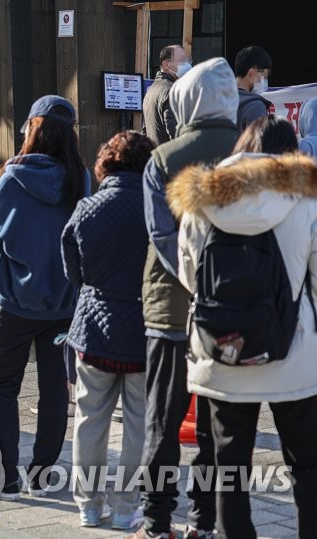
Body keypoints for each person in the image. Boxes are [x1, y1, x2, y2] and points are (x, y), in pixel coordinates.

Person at [169, 116, 317, 538]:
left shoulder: (202, 199)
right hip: (295, 355)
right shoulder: (306, 199)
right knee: (307, 467)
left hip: (222, 352)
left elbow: (190, 275)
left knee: (228, 470)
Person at [134, 57, 238, 539]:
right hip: (231, 311)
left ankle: (156, 521)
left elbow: (160, 235)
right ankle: (204, 521)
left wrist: (192, 281)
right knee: (218, 424)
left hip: (170, 309)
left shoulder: (164, 158)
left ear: (185, 99)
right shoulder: (251, 153)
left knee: (163, 418)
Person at [0, 95, 89, 499]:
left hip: (14, 303)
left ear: (33, 129)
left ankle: (5, 474)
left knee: (3, 385)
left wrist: (13, 271)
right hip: (65, 303)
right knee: (55, 389)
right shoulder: (82, 179)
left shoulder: (12, 178)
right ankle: (44, 475)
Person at [62, 131, 155, 530]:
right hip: (143, 327)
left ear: (106, 165)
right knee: (138, 422)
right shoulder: (159, 209)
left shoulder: (87, 208)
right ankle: (125, 506)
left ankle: (87, 504)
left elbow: (72, 271)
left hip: (95, 326)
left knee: (89, 418)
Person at [142, 45, 191, 144]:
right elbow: (176, 134)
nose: (187, 65)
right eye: (182, 60)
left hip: (157, 155)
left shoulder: (151, 90)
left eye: (188, 61)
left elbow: (145, 131)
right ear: (166, 64)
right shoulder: (171, 90)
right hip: (171, 156)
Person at [233, 46, 273, 133]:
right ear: (252, 72)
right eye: (263, 77)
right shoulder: (255, 107)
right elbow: (259, 144)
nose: (264, 81)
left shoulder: (217, 102)